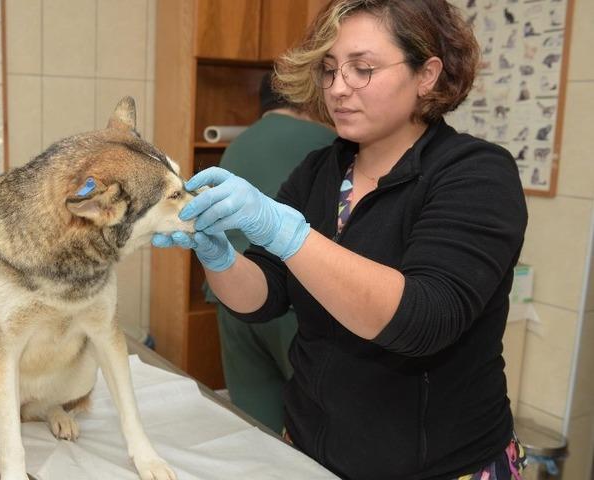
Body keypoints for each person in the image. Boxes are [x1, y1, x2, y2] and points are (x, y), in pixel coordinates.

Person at [153, 1, 529, 479]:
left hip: (440, 465)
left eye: (363, 69)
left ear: (427, 74)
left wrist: (287, 233)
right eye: (329, 71)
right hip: (312, 451)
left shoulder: (475, 174)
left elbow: (423, 320)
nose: (337, 88)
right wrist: (217, 254)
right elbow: (263, 299)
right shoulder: (319, 171)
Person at [209, 72, 335, 433]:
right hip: (294, 304)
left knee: (256, 424)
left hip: (231, 297)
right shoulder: (327, 144)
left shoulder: (238, 144)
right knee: (315, 429)